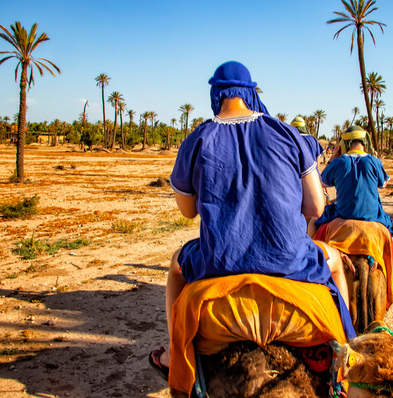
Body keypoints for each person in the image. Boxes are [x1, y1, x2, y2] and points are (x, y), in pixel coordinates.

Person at [149, 61, 354, 378]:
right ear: (251, 93)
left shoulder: (197, 139)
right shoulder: (287, 134)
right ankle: (348, 351)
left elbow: (188, 211)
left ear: (216, 93)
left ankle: (176, 356)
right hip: (292, 263)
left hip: (218, 263)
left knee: (176, 265)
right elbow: (314, 208)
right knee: (337, 260)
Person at [310, 125, 393, 285]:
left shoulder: (339, 162)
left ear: (344, 145)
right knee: (390, 234)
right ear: (365, 142)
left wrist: (332, 158)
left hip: (343, 212)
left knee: (314, 223)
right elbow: (383, 184)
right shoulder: (374, 161)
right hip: (373, 214)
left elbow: (322, 182)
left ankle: (311, 260)